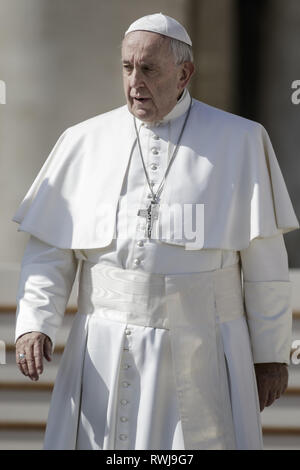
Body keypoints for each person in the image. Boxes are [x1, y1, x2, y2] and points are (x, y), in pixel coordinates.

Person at [12, 13, 299, 450]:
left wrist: (271, 354)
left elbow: (265, 263)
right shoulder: (83, 141)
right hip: (104, 346)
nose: (134, 82)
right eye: (127, 68)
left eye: (148, 69)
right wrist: (35, 323)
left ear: (184, 74)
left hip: (207, 343)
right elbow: (50, 250)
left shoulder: (241, 140)